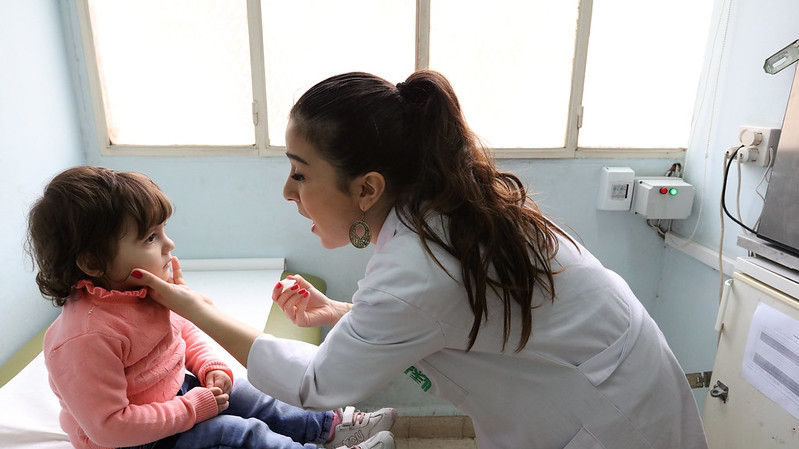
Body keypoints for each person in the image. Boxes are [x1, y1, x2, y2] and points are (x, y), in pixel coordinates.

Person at [129, 71, 709, 449]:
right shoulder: (439, 213)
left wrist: (192, 306)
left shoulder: (421, 262)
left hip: (610, 417)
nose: (288, 192)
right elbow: (444, 316)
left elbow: (315, 384)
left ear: (367, 189)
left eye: (300, 172)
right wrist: (341, 314)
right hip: (606, 375)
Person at [26, 166, 395, 449]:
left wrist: (210, 367)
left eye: (163, 231)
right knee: (237, 433)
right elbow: (109, 426)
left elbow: (180, 332)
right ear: (92, 263)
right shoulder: (85, 337)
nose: (169, 245)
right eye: (151, 238)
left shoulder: (140, 291)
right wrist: (192, 410)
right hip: (137, 440)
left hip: (176, 395)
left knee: (249, 391)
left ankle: (329, 428)